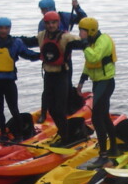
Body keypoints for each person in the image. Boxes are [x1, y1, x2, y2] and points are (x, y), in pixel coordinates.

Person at [21, 11, 85, 144]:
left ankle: (67, 138)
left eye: (54, 22)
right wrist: (9, 38)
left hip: (62, 76)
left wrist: (92, 39)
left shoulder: (66, 37)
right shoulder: (42, 36)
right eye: (48, 23)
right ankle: (64, 133)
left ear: (58, 23)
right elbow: (27, 41)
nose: (51, 25)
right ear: (45, 24)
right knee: (52, 109)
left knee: (60, 110)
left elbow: (83, 43)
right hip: (49, 76)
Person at [0, 17, 40, 138]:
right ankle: (3, 133)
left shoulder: (16, 43)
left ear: (9, 28)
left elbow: (28, 54)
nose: (3, 31)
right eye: (0, 28)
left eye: (6, 28)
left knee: (14, 109)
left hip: (9, 82)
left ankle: (20, 135)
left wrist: (42, 56)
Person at [76, 17, 118, 164]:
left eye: (82, 31)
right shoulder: (91, 42)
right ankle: (113, 148)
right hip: (97, 82)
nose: (80, 33)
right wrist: (81, 81)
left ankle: (104, 154)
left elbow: (94, 58)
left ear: (91, 31)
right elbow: (89, 64)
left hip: (106, 83)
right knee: (104, 117)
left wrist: (85, 45)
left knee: (96, 118)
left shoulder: (103, 41)